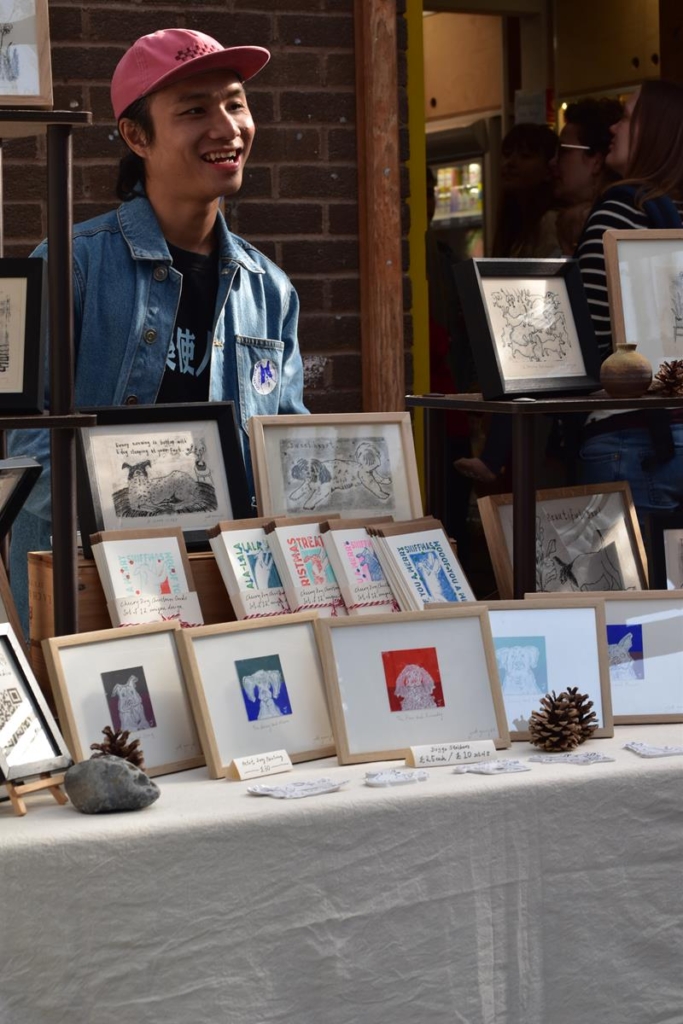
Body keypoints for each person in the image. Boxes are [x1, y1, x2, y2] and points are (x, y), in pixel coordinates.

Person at [8, 28, 307, 632]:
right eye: (195, 110)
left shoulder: (268, 287)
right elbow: (21, 445)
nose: (227, 128)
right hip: (81, 585)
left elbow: (286, 447)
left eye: (235, 103)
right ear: (136, 136)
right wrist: (124, 523)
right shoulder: (71, 265)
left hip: (228, 588)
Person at [575, 80, 683, 522]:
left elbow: (594, 335)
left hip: (630, 435)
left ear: (654, 132)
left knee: (632, 589)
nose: (614, 128)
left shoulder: (620, 213)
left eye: (627, 117)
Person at [552, 97, 623, 254]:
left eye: (564, 151)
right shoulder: (565, 220)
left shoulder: (609, 224)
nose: (553, 161)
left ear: (596, 161)